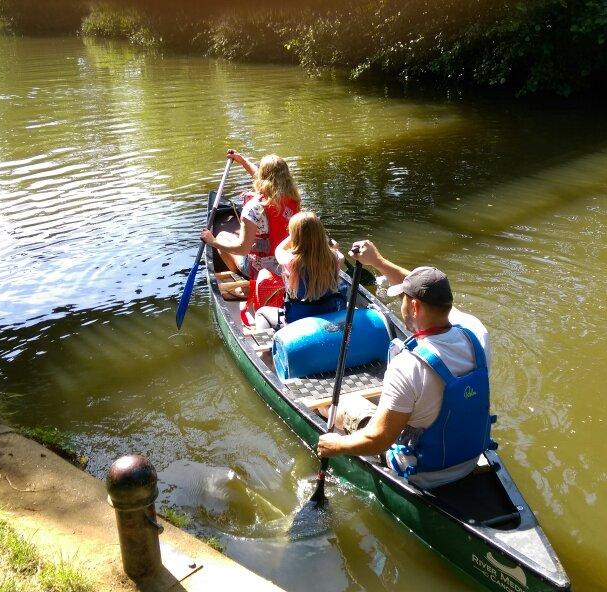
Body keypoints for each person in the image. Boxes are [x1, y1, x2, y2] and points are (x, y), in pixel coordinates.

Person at [317, 240, 492, 489]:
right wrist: (376, 261)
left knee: (348, 404)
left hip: (423, 473)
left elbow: (378, 440)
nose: (400, 307)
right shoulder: (477, 334)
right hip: (469, 460)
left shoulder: (407, 366)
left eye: (402, 298)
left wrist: (335, 445)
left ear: (414, 305)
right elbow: (429, 291)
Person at [201, 150, 301, 281]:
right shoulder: (294, 199)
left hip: (261, 270)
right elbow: (262, 177)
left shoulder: (253, 208)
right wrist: (242, 161)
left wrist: (213, 242)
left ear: (262, 178)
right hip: (288, 265)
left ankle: (247, 282)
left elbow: (242, 249)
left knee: (221, 237)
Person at [253, 211, 345, 331]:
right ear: (321, 235)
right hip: (328, 320)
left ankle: (269, 347)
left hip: (296, 325)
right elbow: (336, 253)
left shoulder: (290, 261)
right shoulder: (336, 259)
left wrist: (293, 235)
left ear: (294, 236)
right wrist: (329, 244)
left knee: (262, 313)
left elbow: (278, 249)